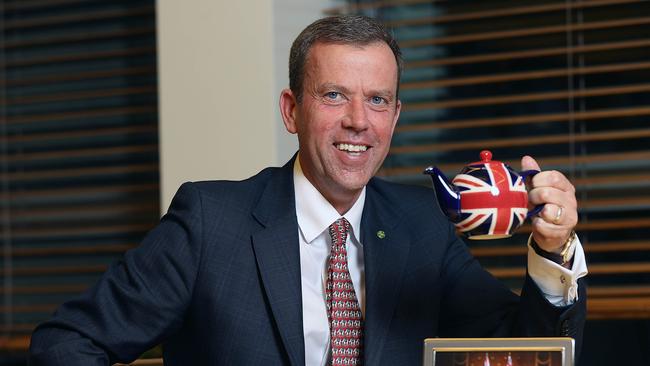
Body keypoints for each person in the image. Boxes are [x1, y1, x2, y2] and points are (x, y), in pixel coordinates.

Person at [28, 15, 587, 366]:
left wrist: (550, 253)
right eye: (334, 96)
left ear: (395, 117)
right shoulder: (210, 221)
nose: (357, 122)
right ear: (291, 110)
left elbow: (523, 350)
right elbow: (66, 344)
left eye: (376, 101)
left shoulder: (423, 224)